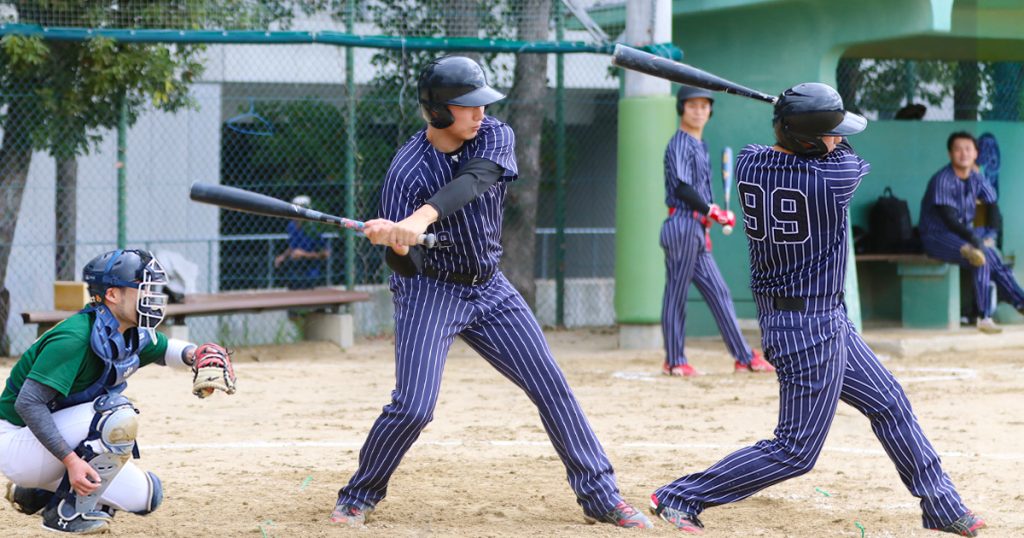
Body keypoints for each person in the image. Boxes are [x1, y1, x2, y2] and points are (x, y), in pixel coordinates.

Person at [328, 56, 651, 529]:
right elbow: (405, 266)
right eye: (467, 107)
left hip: (489, 287)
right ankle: (359, 493)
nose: (480, 114)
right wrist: (397, 241)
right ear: (437, 112)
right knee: (414, 407)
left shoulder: (495, 135)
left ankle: (601, 496)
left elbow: (474, 181)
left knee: (551, 386)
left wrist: (420, 219)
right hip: (429, 292)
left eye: (482, 105)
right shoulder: (406, 171)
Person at [649, 83, 985, 537]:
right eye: (831, 132)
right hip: (808, 329)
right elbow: (839, 153)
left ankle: (943, 506)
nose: (840, 139)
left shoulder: (752, 165)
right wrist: (801, 116)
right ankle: (680, 496)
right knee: (796, 451)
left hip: (812, 317)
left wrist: (797, 116)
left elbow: (774, 145)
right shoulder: (834, 179)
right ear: (809, 141)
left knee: (889, 402)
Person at [0, 249, 236, 534]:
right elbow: (29, 404)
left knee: (147, 496)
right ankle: (64, 513)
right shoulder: (74, 337)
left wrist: (196, 354)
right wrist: (72, 462)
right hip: (16, 441)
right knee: (115, 413)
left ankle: (35, 492)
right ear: (112, 295)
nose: (151, 296)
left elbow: (164, 349)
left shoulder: (126, 330)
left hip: (45, 442)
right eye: (143, 289)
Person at [660, 85, 775, 377]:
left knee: (720, 293)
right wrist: (712, 210)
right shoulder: (679, 144)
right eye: (692, 105)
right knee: (676, 293)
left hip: (697, 228)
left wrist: (712, 217)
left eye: (704, 105)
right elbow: (683, 187)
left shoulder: (701, 145)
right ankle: (674, 360)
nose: (699, 111)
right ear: (681, 109)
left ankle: (743, 357)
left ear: (710, 110)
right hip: (682, 224)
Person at [918, 131, 1024, 334]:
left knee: (984, 256)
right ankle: (1012, 302)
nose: (963, 153)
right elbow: (949, 220)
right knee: (979, 253)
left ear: (976, 153)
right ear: (950, 153)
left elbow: (993, 205)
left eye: (968, 149)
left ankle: (991, 314)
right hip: (936, 236)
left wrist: (990, 236)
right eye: (958, 149)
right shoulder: (943, 179)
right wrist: (976, 239)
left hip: (964, 237)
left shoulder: (977, 178)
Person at [274, 195, 331, 289]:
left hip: (310, 273)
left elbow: (326, 253)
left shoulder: (313, 229)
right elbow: (293, 246)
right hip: (294, 272)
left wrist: (304, 254)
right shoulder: (291, 226)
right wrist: (283, 256)